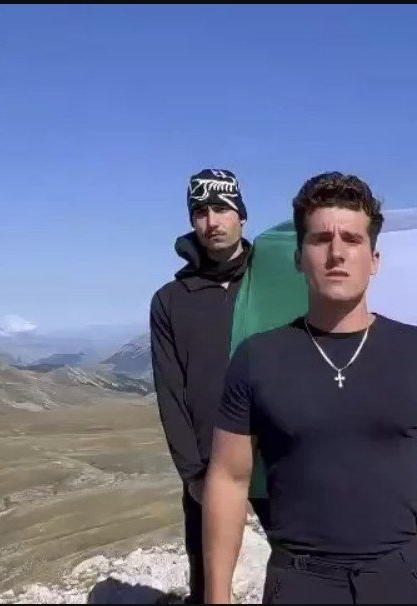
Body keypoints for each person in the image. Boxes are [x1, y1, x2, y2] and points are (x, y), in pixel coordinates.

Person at [202, 171, 417, 604]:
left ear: (374, 259)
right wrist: (217, 597)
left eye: (352, 240)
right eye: (320, 239)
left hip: (398, 577)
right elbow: (228, 478)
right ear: (299, 257)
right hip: (298, 583)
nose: (337, 252)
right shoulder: (257, 357)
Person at [150, 168, 266, 604]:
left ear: (242, 216)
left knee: (299, 567)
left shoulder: (271, 281)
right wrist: (193, 473)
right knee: (208, 583)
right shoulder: (170, 300)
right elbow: (170, 392)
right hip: (209, 467)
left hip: (281, 459)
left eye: (222, 208)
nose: (211, 221)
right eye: (200, 212)